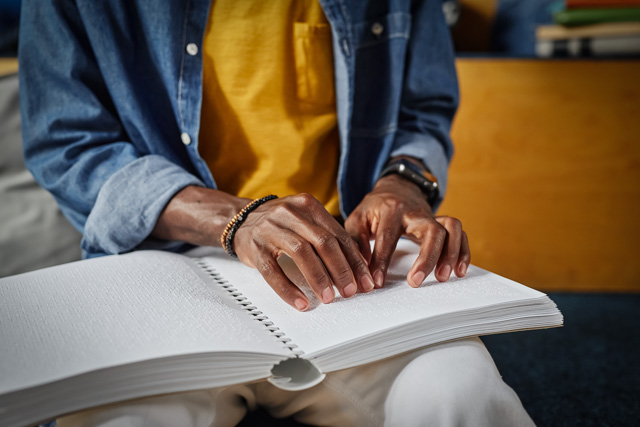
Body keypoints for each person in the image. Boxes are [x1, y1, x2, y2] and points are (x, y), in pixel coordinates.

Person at [19, 0, 535, 425]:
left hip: (352, 270)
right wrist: (235, 218)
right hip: (163, 269)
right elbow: (66, 141)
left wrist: (405, 182)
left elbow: (422, 109)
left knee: (462, 393)